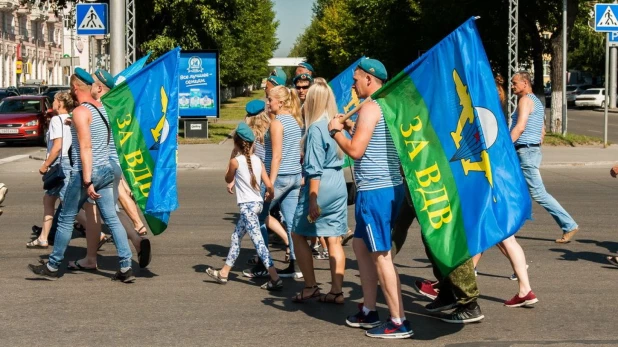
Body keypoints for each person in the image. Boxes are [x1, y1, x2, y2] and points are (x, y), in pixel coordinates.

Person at [328, 58, 412, 339]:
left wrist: (337, 131)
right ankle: (369, 309)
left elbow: (356, 151)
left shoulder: (371, 107)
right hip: (385, 186)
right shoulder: (385, 104)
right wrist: (351, 126)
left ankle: (399, 320)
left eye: (355, 80)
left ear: (368, 79)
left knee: (382, 256)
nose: (352, 85)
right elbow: (374, 141)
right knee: (361, 247)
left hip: (377, 189)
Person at [27, 68, 134, 283]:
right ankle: (126, 266)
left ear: (75, 88)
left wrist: (86, 180)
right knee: (112, 219)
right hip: (106, 169)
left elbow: (86, 148)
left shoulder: (80, 112)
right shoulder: (101, 108)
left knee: (66, 218)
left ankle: (53, 265)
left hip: (88, 172)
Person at [68, 69, 151, 270]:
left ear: (98, 87)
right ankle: (136, 238)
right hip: (113, 165)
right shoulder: (114, 107)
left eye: (94, 85)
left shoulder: (97, 107)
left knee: (94, 213)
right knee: (111, 211)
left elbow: (90, 142)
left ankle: (90, 259)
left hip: (100, 165)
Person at [206, 123, 283, 290]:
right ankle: (224, 273)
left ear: (236, 143)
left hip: (247, 207)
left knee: (259, 243)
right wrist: (270, 193)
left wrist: (231, 157)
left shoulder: (236, 161)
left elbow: (228, 179)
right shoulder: (258, 161)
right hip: (257, 205)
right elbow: (269, 184)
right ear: (252, 143)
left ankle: (275, 278)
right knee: (236, 237)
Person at [291, 80, 347, 304]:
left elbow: (314, 169)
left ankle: (310, 285)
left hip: (321, 184)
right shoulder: (335, 124)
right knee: (334, 239)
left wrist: (312, 200)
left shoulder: (315, 128)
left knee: (297, 233)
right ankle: (337, 290)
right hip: (338, 182)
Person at [511, 71, 579, 244]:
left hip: (525, 152)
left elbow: (520, 127)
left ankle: (569, 224)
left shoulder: (525, 101)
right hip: (529, 151)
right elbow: (542, 130)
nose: (512, 86)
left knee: (539, 194)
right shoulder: (537, 102)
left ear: (525, 83)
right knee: (514, 189)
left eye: (515, 83)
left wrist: (504, 147)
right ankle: (508, 227)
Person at [27, 92, 75, 249]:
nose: (52, 102)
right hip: (66, 163)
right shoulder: (71, 119)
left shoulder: (56, 120)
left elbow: (57, 147)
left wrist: (45, 165)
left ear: (60, 103)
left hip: (59, 165)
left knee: (68, 205)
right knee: (48, 200)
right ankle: (43, 237)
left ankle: (97, 232)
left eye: (54, 100)